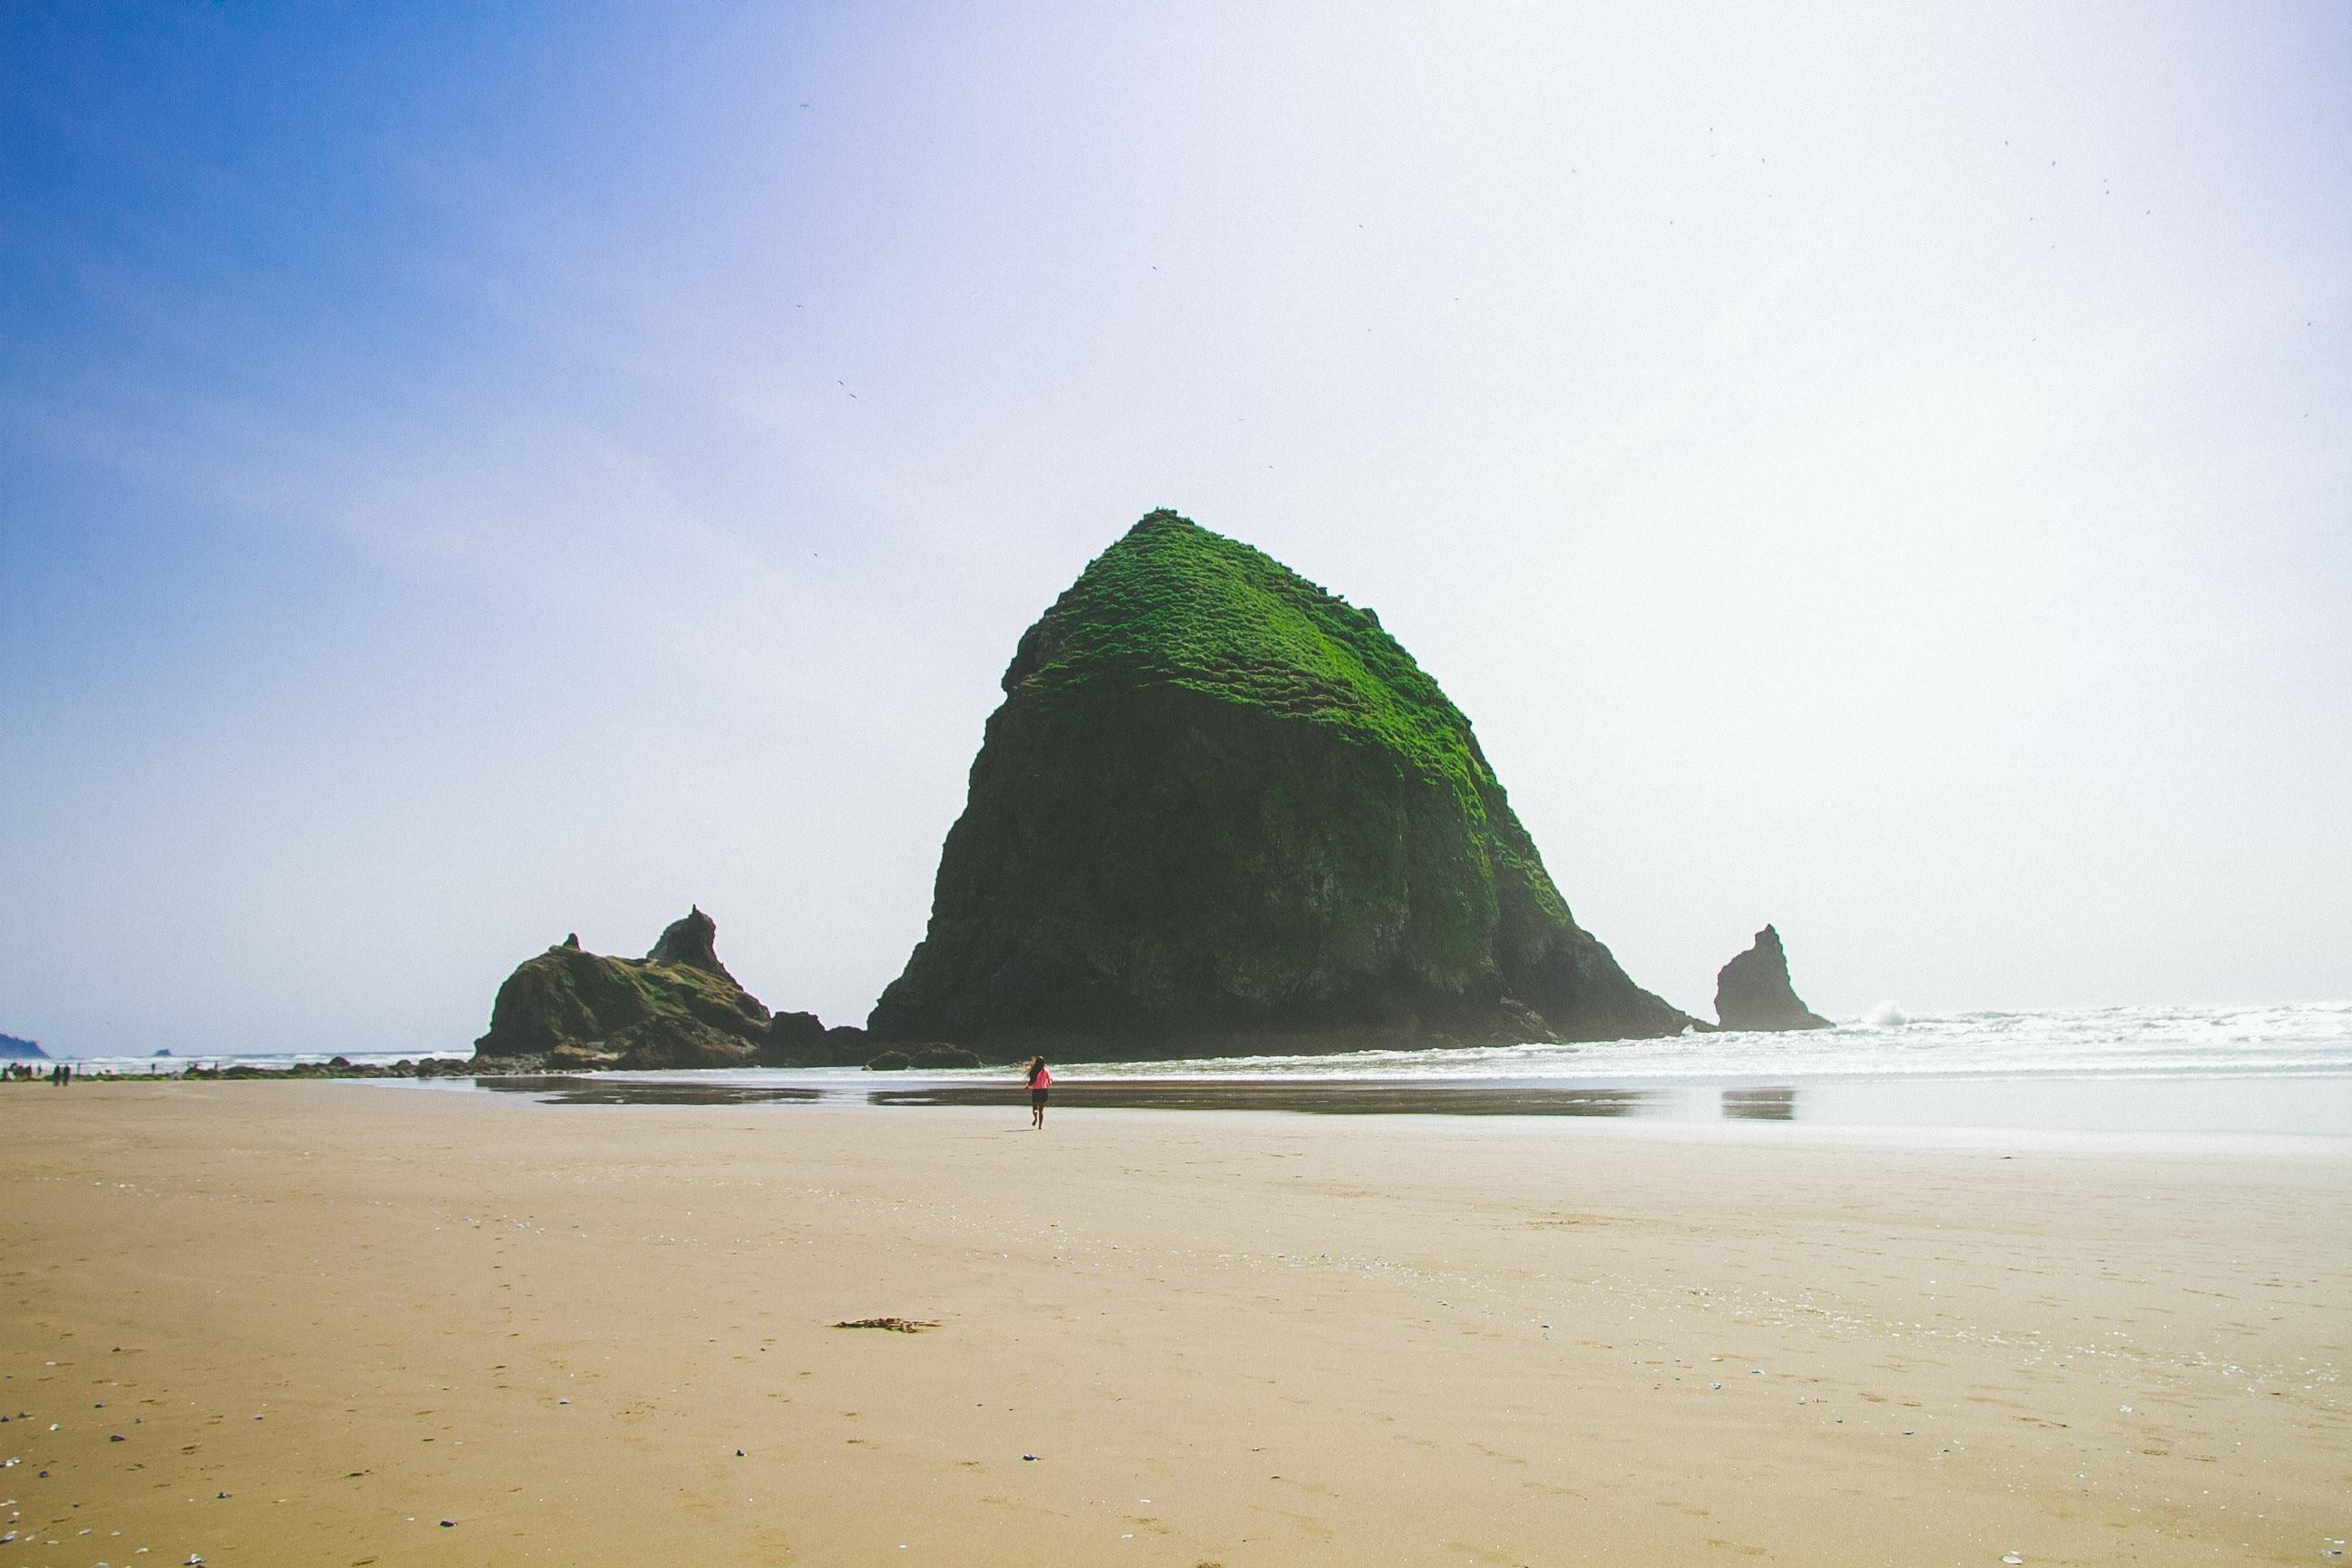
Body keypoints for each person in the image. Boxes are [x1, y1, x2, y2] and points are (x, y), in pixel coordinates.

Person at [1024, 1056, 1052, 1130]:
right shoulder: (1046, 1071)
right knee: (1041, 1110)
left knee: (1035, 1108)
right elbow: (1050, 1082)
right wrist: (1047, 1083)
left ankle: (1035, 1117)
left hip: (1036, 1091)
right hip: (1043, 1090)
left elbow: (1031, 1081)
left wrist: (1027, 1086)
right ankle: (1040, 1126)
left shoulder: (1034, 1070)